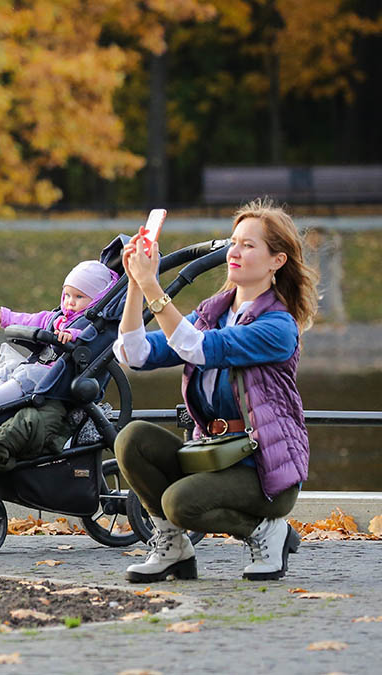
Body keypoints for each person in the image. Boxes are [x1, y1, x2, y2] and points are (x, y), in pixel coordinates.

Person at [114, 198, 317, 582]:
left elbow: (199, 348)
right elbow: (135, 353)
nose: (233, 251)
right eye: (233, 241)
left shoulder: (278, 326)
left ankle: (268, 531)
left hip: (262, 470)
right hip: (211, 454)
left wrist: (152, 283)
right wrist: (134, 285)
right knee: (132, 438)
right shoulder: (212, 313)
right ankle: (173, 548)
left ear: (277, 261)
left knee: (179, 502)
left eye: (248, 245)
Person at [0, 260, 119, 412]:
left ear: (96, 299)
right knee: (12, 366)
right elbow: (32, 319)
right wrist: (6, 317)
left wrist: (71, 335)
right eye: (67, 295)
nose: (70, 302)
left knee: (28, 373)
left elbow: (88, 337)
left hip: (59, 377)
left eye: (79, 297)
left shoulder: (92, 323)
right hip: (43, 366)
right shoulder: (58, 317)